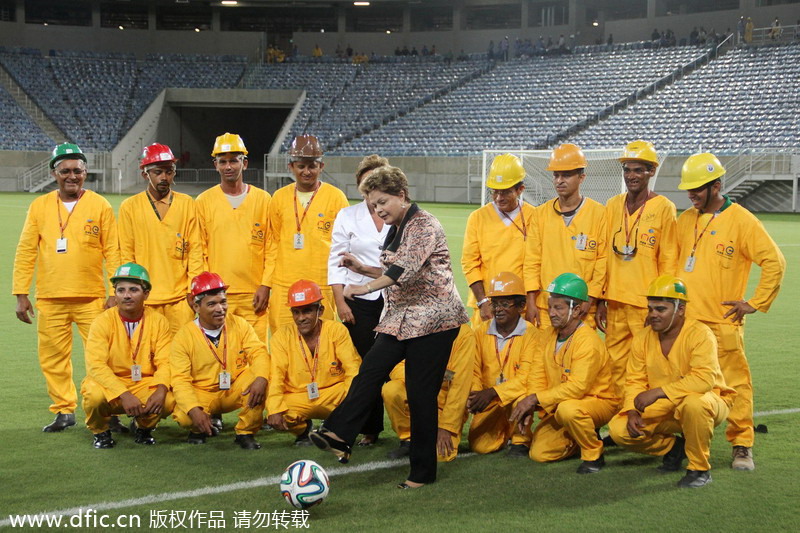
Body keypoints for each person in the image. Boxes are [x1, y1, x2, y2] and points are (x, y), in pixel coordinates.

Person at [309, 165, 469, 489]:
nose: (378, 210)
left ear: (401, 194)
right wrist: (360, 267)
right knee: (370, 370)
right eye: (373, 206)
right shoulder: (396, 228)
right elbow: (389, 268)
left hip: (435, 321)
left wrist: (360, 288)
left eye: (382, 202)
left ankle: (422, 474)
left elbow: (400, 272)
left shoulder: (424, 224)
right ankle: (339, 433)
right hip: (402, 318)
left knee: (420, 395)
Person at [675, 153, 785, 471]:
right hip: (687, 323)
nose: (692, 194)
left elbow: (774, 262)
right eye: (689, 188)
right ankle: (684, 440)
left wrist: (754, 302)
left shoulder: (741, 220)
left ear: (717, 185)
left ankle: (741, 445)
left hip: (722, 323)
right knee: (685, 382)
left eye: (698, 188)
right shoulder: (685, 220)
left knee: (735, 383)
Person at [13, 143, 121, 432]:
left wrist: (115, 293)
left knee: (104, 355)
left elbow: (114, 250)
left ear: (85, 172)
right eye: (65, 171)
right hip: (50, 296)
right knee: (53, 358)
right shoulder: (39, 206)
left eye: (77, 171)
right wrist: (21, 294)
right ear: (54, 173)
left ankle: (109, 407)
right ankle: (64, 410)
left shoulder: (100, 205)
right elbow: (26, 251)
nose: (71, 176)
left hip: (92, 298)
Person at [608, 275, 735, 488]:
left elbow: (703, 380)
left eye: (661, 309)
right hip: (668, 406)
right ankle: (674, 447)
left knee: (694, 404)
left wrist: (658, 392)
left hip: (710, 401)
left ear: (681, 310)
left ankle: (699, 469)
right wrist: (632, 410)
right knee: (619, 430)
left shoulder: (700, 334)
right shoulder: (643, 337)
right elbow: (635, 380)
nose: (653, 315)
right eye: (650, 309)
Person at [510, 273, 619, 474]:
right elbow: (537, 374)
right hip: (560, 404)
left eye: (558, 308)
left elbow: (578, 387)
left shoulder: (588, 342)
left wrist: (536, 399)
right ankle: (579, 436)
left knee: (569, 410)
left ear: (576, 310)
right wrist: (532, 401)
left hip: (597, 401)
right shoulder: (547, 335)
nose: (551, 313)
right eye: (550, 306)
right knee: (540, 454)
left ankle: (593, 453)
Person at [597, 141, 678, 396]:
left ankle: (651, 425)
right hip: (615, 302)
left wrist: (660, 304)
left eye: (638, 170)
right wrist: (600, 298)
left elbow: (668, 260)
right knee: (615, 365)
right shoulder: (612, 205)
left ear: (651, 171)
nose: (631, 176)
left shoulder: (663, 207)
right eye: (628, 170)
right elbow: (602, 255)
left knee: (648, 365)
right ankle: (623, 424)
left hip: (645, 303)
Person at [328, 154, 392, 446]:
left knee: (394, 364)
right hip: (358, 300)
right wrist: (340, 302)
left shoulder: (401, 215)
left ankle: (409, 427)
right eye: (367, 181)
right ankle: (370, 427)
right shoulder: (347, 215)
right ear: (360, 185)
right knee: (367, 364)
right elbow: (335, 261)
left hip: (394, 299)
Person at [81, 263, 175, 449]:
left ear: (146, 294)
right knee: (94, 395)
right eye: (121, 290)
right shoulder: (102, 322)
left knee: (168, 398)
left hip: (143, 382)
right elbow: (96, 365)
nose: (126, 295)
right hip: (111, 382)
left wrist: (162, 388)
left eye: (133, 290)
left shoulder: (159, 322)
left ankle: (144, 428)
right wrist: (123, 394)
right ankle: (100, 432)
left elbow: (166, 362)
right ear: (115, 294)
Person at [170, 272, 269, 449]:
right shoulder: (183, 337)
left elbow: (259, 352)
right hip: (202, 391)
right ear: (196, 306)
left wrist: (261, 378)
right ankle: (199, 428)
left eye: (223, 302)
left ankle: (245, 432)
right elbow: (180, 380)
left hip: (235, 386)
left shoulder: (239, 324)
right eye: (212, 304)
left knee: (262, 380)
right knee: (184, 416)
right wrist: (193, 409)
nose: (220, 309)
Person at [265, 135, 349, 334]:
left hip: (322, 282)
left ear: (321, 166)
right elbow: (272, 243)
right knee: (283, 339)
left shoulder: (336, 197)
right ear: (291, 167)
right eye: (301, 166)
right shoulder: (278, 197)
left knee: (323, 340)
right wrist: (266, 284)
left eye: (312, 166)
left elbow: (345, 245)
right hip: (284, 281)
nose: (306, 171)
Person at [118, 143, 202, 337]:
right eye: (158, 172)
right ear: (145, 174)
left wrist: (193, 289)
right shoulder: (130, 207)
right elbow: (126, 254)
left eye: (169, 171)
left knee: (182, 356)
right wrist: (130, 292)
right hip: (145, 299)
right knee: (145, 358)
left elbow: (196, 250)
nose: (164, 177)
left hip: (181, 300)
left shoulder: (187, 204)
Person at [195, 133, 271, 342]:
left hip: (254, 295)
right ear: (216, 165)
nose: (229, 167)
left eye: (234, 161)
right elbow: (198, 249)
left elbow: (272, 247)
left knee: (257, 355)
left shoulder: (263, 200)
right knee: (219, 354)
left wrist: (266, 284)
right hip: (217, 295)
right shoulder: (204, 201)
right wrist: (205, 289)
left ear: (244, 163)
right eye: (223, 161)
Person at [266, 280, 360, 446]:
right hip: (300, 395)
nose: (301, 318)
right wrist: (274, 410)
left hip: (334, 393)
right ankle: (303, 431)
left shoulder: (336, 330)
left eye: (307, 311)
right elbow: (276, 375)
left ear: (320, 310)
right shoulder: (282, 336)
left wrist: (352, 404)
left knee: (362, 393)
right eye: (296, 312)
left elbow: (353, 370)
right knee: (279, 408)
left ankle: (335, 427)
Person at [524, 143, 607, 329]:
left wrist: (591, 298)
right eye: (556, 175)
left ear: (581, 177)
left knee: (581, 356)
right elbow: (531, 260)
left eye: (567, 175)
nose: (559, 180)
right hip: (547, 308)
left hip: (582, 308)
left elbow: (603, 261)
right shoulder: (540, 214)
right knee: (544, 358)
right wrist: (530, 300)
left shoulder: (599, 213)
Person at [466, 272, 539, 457]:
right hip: (487, 400)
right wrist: (476, 395)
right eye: (495, 303)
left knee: (523, 394)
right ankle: (503, 431)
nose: (498, 309)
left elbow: (527, 378)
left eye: (505, 304)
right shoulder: (480, 331)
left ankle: (520, 440)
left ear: (522, 306)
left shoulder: (533, 335)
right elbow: (473, 368)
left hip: (512, 397)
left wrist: (493, 392)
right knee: (481, 447)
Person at [462, 154, 537, 327]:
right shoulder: (477, 218)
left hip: (521, 307)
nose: (498, 198)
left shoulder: (535, 216)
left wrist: (532, 302)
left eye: (505, 192)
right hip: (488, 305)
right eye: (495, 191)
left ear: (520, 189)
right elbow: (469, 263)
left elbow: (537, 263)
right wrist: (482, 302)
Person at [383, 323, 475, 461]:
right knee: (391, 390)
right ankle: (409, 439)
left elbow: (460, 385)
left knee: (441, 455)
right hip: (419, 394)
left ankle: (438, 431)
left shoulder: (464, 333)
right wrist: (427, 376)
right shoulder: (413, 324)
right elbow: (396, 365)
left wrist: (446, 427)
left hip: (445, 404)